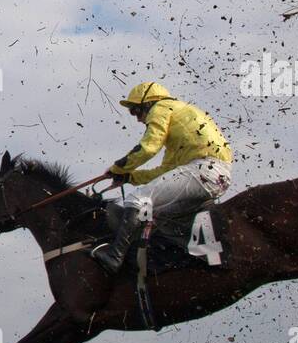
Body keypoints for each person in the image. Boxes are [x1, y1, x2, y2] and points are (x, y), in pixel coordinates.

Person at [91, 82, 233, 274]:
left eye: (135, 111)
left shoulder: (161, 108)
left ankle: (114, 257)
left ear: (148, 103)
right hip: (214, 174)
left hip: (203, 170)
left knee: (138, 200)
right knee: (157, 214)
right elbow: (164, 171)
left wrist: (118, 168)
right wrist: (129, 177)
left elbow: (148, 147)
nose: (138, 119)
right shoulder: (181, 120)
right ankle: (203, 255)